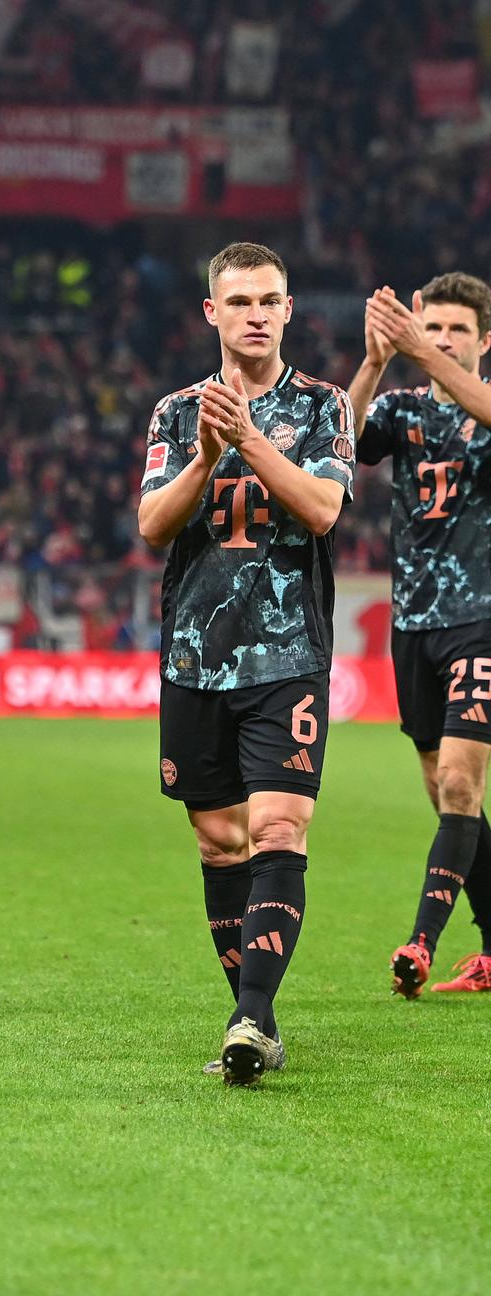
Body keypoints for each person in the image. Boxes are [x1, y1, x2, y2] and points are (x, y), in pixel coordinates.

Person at [137, 242, 354, 1085]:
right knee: (221, 841)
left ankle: (252, 1018)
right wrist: (203, 453)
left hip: (289, 656)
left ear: (290, 310)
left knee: (277, 829)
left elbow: (324, 509)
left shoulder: (324, 406)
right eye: (241, 302)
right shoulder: (171, 413)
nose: (256, 314)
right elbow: (154, 526)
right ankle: (249, 1009)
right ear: (213, 314)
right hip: (196, 659)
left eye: (270, 300)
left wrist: (251, 441)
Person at [348, 273, 491, 996]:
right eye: (430, 328)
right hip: (414, 627)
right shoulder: (401, 408)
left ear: (485, 340)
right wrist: (376, 358)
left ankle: (420, 944)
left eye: (457, 330)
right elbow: (335, 449)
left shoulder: (485, 410)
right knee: (445, 791)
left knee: (463, 782)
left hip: (481, 621)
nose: (440, 340)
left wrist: (415, 352)